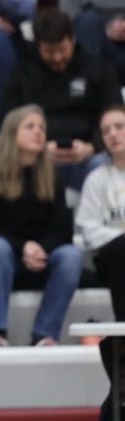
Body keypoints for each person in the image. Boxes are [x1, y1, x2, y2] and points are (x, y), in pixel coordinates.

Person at [0, 106, 81, 347]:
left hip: (39, 257)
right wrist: (22, 248)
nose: (38, 132)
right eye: (30, 127)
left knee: (71, 256)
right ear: (12, 133)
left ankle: (44, 334)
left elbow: (63, 231)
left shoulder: (52, 175)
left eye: (41, 127)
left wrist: (41, 249)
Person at [1, 10, 122, 192]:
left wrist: (92, 147)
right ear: (37, 46)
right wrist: (37, 148)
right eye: (49, 52)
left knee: (103, 165)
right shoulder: (23, 73)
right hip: (38, 156)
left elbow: (116, 114)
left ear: (73, 40)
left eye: (62, 50)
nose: (57, 57)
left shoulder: (99, 69)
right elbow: (9, 120)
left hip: (89, 156)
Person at [77, 106, 125, 323]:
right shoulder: (96, 179)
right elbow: (89, 232)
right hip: (113, 259)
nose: (113, 134)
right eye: (106, 131)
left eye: (119, 127)